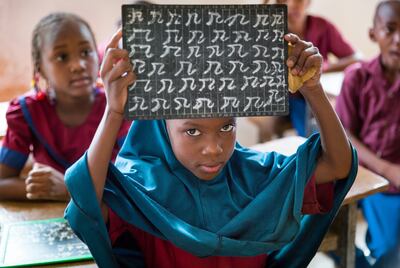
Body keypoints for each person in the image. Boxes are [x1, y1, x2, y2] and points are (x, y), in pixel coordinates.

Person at [65, 26, 357, 267]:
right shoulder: (140, 188)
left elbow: (338, 165)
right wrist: (114, 112)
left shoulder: (253, 174)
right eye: (192, 131)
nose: (214, 148)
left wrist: (312, 88)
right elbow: (85, 204)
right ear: (160, 124)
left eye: (227, 127)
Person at [0, 12, 131, 201]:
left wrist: (69, 190)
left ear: (99, 56)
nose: (78, 65)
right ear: (40, 68)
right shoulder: (27, 112)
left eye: (86, 52)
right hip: (47, 218)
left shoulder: (117, 107)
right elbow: (2, 182)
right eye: (62, 57)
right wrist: (48, 188)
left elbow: (133, 186)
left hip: (108, 219)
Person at [336, 0, 400, 266]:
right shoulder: (357, 77)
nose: (398, 40)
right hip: (369, 176)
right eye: (390, 29)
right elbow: (344, 135)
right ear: (373, 34)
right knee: (386, 250)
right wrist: (386, 169)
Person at [249, 0, 362, 142]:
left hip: (310, 94)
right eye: (283, 0)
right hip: (278, 95)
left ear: (308, 2)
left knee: (324, 124)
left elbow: (357, 58)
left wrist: (322, 67)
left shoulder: (321, 26)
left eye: (298, 0)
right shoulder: (268, 28)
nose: (291, 5)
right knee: (266, 124)